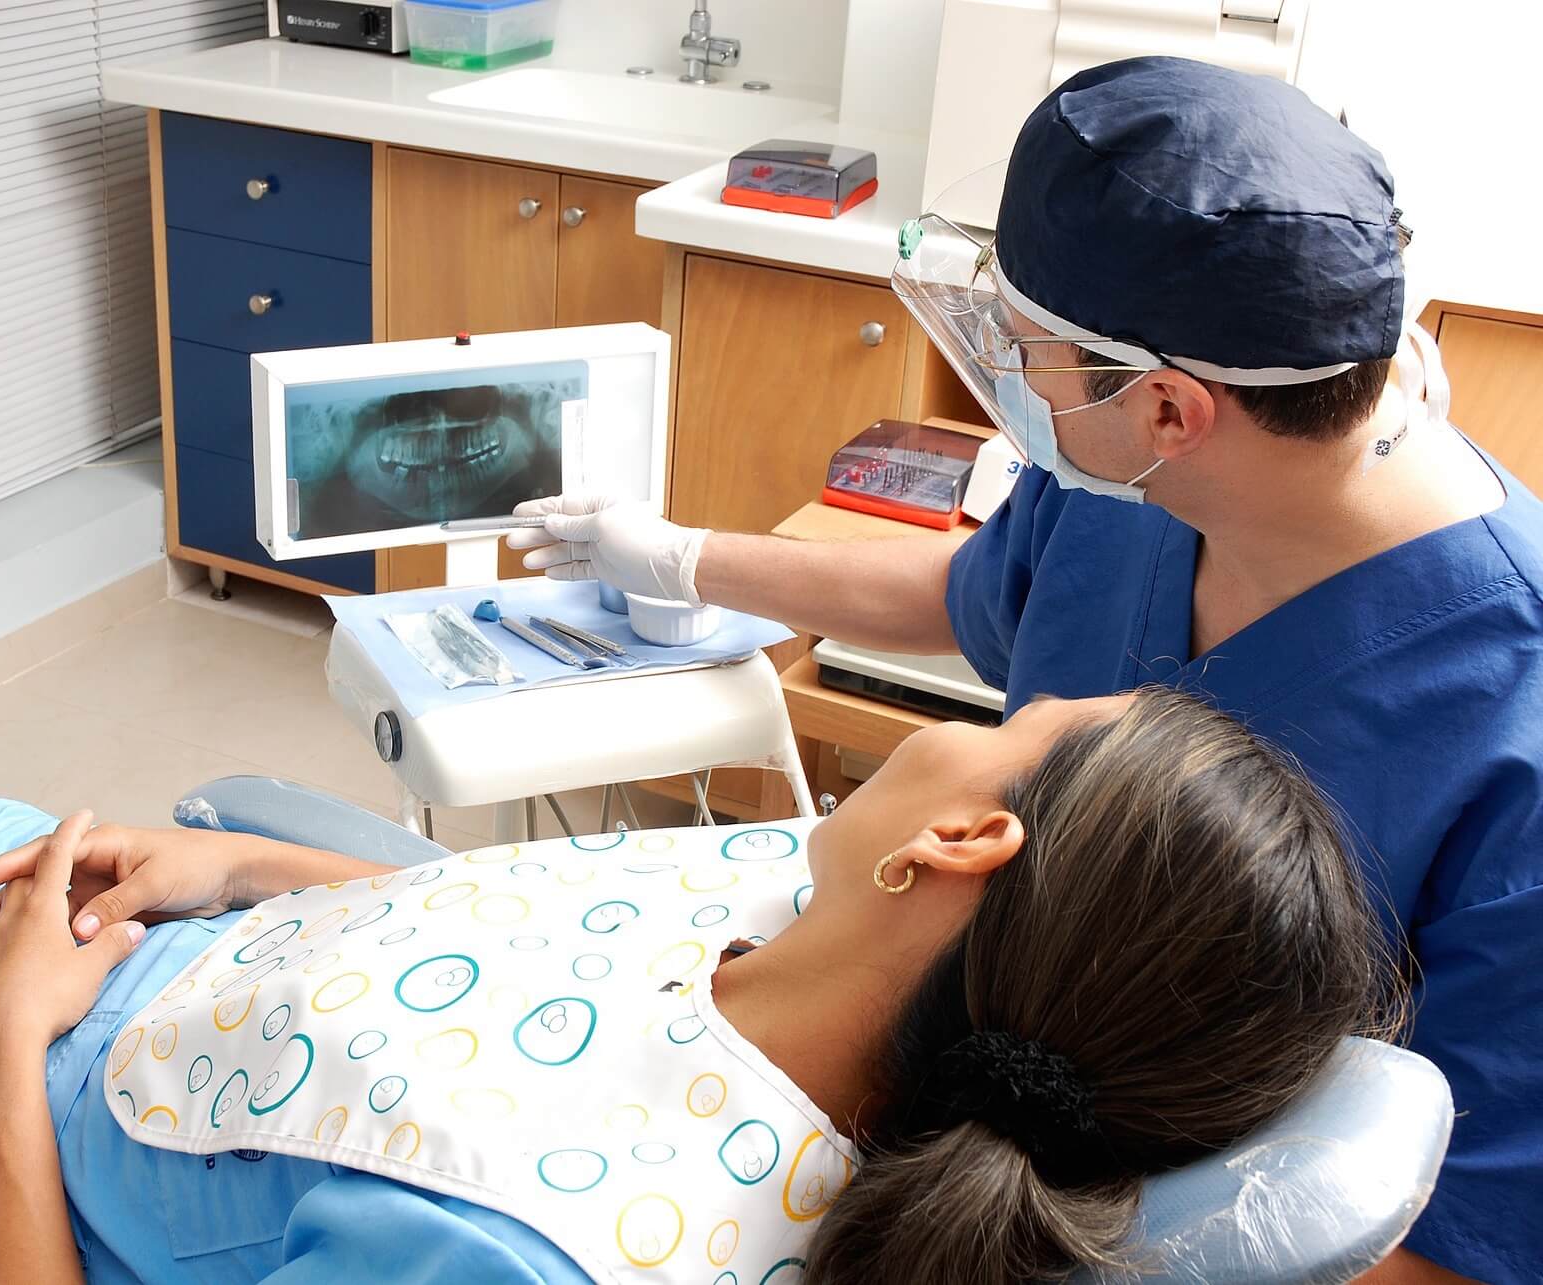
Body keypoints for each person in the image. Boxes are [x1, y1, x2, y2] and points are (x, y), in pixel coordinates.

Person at [511, 56, 1540, 1285]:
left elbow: (1452, 1244)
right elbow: (973, 593)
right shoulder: (1131, 485)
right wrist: (685, 559)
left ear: (1168, 406)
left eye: (1023, 342)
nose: (999, 368)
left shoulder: (1510, 726)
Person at [0, 690, 1393, 1284]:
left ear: (972, 849)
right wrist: (223, 867)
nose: (968, 720)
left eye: (1018, 723)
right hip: (108, 920)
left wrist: (4, 1051)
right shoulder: (812, 897)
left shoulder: (520, 1253)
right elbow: (510, 925)